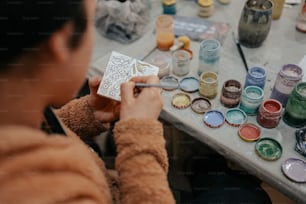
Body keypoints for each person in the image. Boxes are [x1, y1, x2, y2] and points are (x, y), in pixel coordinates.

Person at [0, 0, 175, 203]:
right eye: (91, 22)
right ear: (63, 42)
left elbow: (38, 131)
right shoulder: (55, 194)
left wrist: (88, 112)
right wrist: (140, 134)